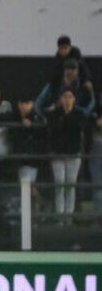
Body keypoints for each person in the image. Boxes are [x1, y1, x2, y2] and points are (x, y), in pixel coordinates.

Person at [46, 90, 87, 219]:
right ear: (60, 99)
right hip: (58, 154)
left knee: (70, 186)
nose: (67, 100)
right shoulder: (54, 115)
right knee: (59, 185)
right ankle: (60, 217)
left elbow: (82, 133)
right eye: (64, 97)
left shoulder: (79, 114)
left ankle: (68, 217)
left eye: (70, 97)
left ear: (74, 99)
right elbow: (51, 134)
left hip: (73, 155)